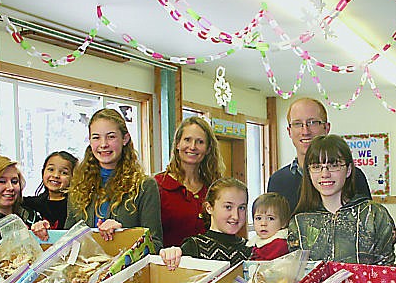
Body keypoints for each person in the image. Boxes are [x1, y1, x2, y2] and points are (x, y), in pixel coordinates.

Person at [46, 108, 162, 250]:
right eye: (96, 137)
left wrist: (123, 233)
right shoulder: (79, 184)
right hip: (87, 270)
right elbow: (68, 240)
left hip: (126, 270)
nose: (103, 144)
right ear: (90, 141)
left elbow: (155, 245)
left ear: (125, 139)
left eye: (111, 137)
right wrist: (46, 234)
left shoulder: (145, 186)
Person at [288, 134, 396, 265]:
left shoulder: (373, 215)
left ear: (349, 170)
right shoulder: (299, 223)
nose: (325, 174)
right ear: (309, 172)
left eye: (333, 165)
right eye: (316, 167)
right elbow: (298, 274)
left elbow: (385, 270)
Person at [267, 97, 371, 213]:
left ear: (326, 128)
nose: (305, 131)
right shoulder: (278, 181)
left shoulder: (353, 176)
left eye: (312, 123)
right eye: (297, 124)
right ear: (289, 131)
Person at [154, 116, 224, 246]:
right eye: (187, 140)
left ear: (208, 149)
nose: (193, 147)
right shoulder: (157, 186)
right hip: (170, 265)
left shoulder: (215, 188)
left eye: (200, 142)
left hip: (211, 265)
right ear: (177, 144)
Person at [160, 177, 251, 268]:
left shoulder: (251, 248)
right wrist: (170, 255)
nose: (236, 216)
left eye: (241, 208)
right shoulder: (194, 246)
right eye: (228, 207)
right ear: (209, 207)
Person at [24, 151, 78, 230]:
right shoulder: (30, 204)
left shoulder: (76, 206)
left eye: (64, 173)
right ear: (43, 172)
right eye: (51, 169)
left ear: (73, 177)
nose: (56, 175)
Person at [248, 192, 290, 261]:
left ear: (283, 223)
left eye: (271, 218)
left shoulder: (280, 244)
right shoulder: (254, 241)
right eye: (258, 218)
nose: (263, 223)